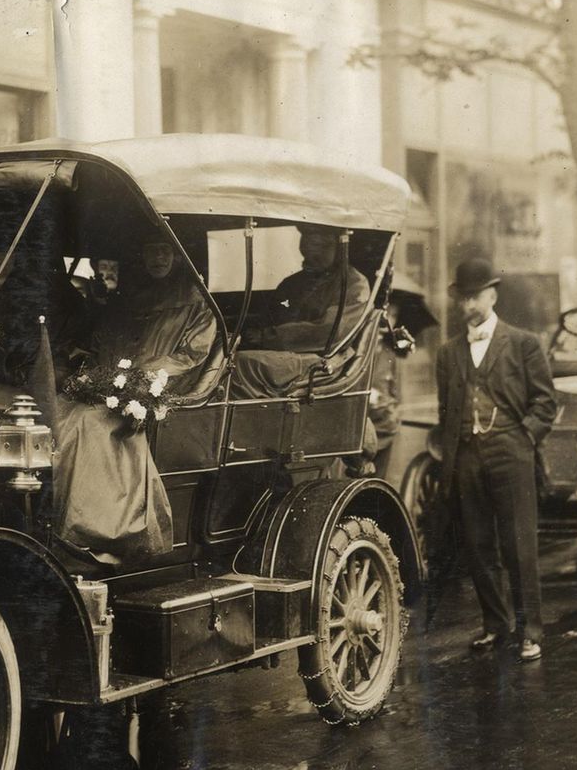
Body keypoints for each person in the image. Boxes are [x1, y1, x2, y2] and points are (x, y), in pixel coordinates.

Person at [52, 240, 219, 564]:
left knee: (91, 422)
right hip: (118, 384)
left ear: (179, 255)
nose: (158, 257)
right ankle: (54, 519)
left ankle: (95, 528)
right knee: (61, 412)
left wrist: (141, 378)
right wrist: (99, 376)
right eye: (151, 249)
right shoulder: (126, 301)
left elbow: (191, 356)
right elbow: (101, 343)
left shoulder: (197, 303)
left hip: (162, 387)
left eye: (165, 250)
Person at [436, 257, 556, 662]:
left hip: (511, 452)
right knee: (477, 545)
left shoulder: (523, 344)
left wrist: (523, 438)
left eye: (475, 296)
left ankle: (530, 631)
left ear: (492, 294)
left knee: (519, 546)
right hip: (466, 456)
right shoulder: (448, 352)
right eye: (462, 298)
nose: (468, 305)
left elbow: (545, 403)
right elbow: (445, 411)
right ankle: (495, 624)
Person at [234, 224, 372, 394]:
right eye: (307, 244)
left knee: (242, 362)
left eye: (322, 246)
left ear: (338, 247)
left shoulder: (354, 284)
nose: (311, 252)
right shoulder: (292, 284)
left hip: (324, 359)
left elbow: (331, 332)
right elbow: (272, 315)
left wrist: (266, 337)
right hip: (285, 352)